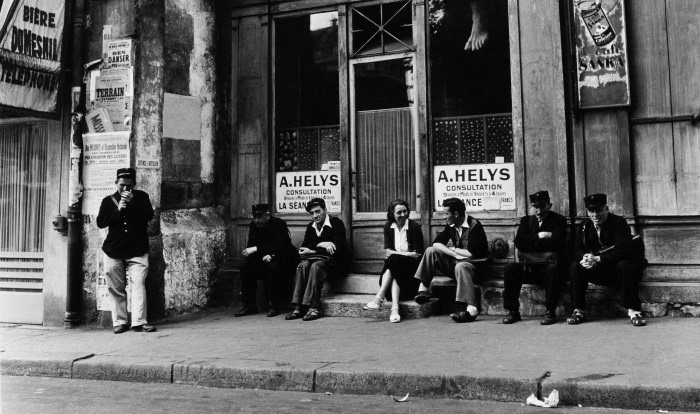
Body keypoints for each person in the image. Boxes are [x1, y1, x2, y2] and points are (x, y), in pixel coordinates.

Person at [568, 193, 647, 327]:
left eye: (599, 210)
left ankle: (634, 311)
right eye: (591, 211)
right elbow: (577, 249)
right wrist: (585, 259)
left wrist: (598, 259)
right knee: (576, 267)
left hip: (619, 271)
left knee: (625, 265)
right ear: (587, 211)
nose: (595, 214)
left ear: (607, 209)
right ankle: (578, 310)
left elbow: (623, 250)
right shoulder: (584, 226)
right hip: (599, 270)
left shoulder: (619, 223)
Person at [96, 168, 155, 334]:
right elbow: (101, 222)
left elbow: (148, 216)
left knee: (138, 283)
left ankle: (139, 322)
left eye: (129, 186)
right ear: (116, 184)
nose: (125, 189)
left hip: (137, 248)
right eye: (122, 185)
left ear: (134, 185)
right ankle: (120, 322)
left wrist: (132, 204)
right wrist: (119, 209)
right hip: (114, 250)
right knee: (116, 287)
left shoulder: (142, 198)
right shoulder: (108, 201)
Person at [413, 197, 489, 323]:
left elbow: (471, 254)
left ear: (456, 214)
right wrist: (455, 254)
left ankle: (471, 309)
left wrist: (453, 249)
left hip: (475, 269)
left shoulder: (475, 226)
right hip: (456, 265)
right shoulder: (451, 225)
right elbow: (436, 244)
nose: (444, 216)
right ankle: (423, 289)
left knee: (461, 266)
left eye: (446, 213)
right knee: (430, 251)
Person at [502, 191, 567, 325]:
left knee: (553, 270)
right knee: (510, 268)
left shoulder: (559, 220)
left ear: (549, 205)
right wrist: (541, 236)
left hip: (549, 268)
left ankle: (550, 311)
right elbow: (520, 243)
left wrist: (531, 243)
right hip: (530, 267)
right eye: (535, 207)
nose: (538, 211)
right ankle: (513, 311)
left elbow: (557, 242)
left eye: (542, 207)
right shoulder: (526, 221)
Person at [286, 198, 349, 322]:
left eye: (318, 211)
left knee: (316, 266)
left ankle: (314, 308)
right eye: (312, 213)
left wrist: (314, 249)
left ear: (325, 210)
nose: (315, 215)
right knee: (303, 265)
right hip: (318, 261)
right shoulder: (311, 227)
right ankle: (298, 307)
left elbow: (335, 249)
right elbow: (304, 248)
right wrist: (322, 244)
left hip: (337, 264)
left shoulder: (336, 223)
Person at [364, 199, 424, 323]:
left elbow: (417, 254)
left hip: (410, 277)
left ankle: (379, 299)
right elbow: (388, 251)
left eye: (405, 211)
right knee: (394, 262)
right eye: (399, 212)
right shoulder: (388, 226)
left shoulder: (414, 227)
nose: (403, 215)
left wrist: (397, 254)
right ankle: (394, 308)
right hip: (392, 280)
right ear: (392, 214)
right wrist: (407, 254)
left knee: (394, 259)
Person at [236, 204, 299, 318]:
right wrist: (262, 254)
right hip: (263, 258)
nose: (257, 220)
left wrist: (268, 254)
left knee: (273, 267)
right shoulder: (253, 226)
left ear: (267, 215)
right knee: (246, 268)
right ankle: (250, 305)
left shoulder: (279, 224)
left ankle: (274, 305)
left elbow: (282, 247)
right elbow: (251, 246)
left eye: (260, 217)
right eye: (255, 217)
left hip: (283, 259)